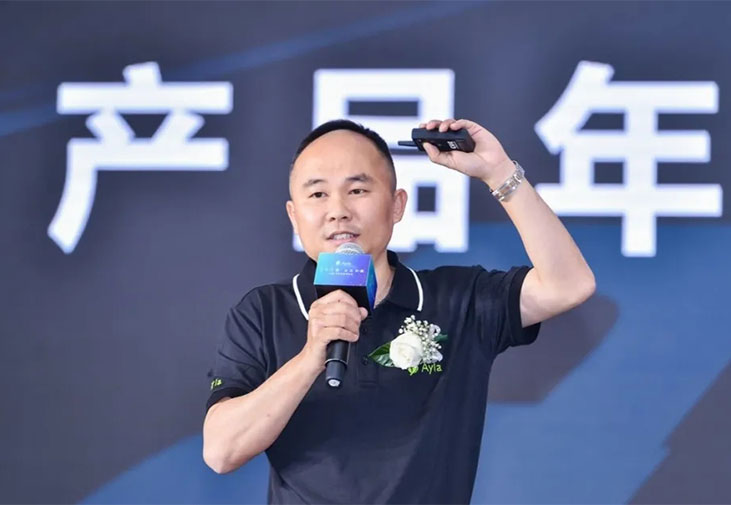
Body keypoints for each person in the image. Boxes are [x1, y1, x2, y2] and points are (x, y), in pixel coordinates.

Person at [202, 118, 595, 504]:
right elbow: (221, 452)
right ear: (294, 215)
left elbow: (569, 285)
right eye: (318, 194)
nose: (338, 210)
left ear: (397, 205)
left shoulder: (457, 299)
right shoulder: (264, 311)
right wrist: (309, 359)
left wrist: (500, 173)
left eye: (357, 190)